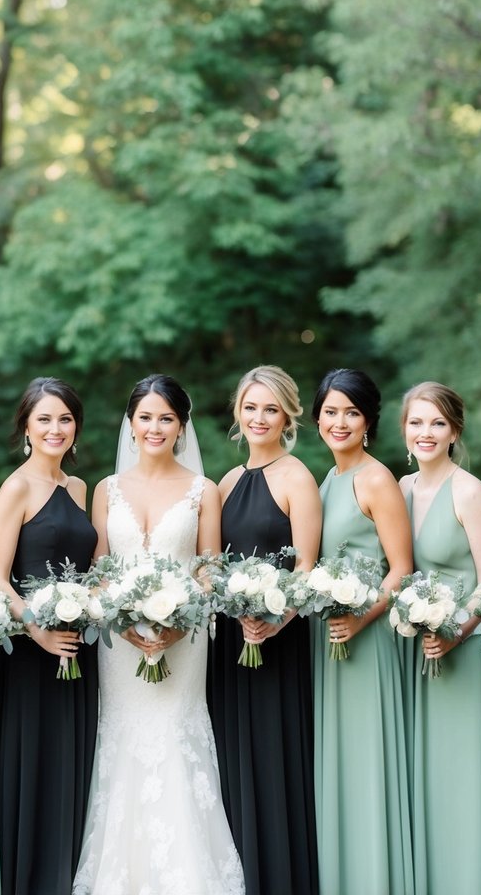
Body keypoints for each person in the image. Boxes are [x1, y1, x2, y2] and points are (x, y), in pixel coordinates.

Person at [73, 373, 244, 895]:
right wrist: (122, 624)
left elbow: (209, 570)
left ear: (181, 426)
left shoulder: (203, 490)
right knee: (121, 739)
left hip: (185, 638)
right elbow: (98, 570)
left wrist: (179, 622)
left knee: (176, 737)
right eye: (144, 417)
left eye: (165, 418)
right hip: (118, 645)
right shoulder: (105, 489)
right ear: (129, 424)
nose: (154, 427)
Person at [208, 365, 321, 895]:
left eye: (271, 409)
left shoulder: (297, 476)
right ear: (238, 412)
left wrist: (276, 621)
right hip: (233, 640)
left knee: (276, 762)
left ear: (288, 416)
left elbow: (306, 567)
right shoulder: (227, 482)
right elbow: (212, 564)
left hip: (280, 637)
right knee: (234, 760)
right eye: (251, 407)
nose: (259, 418)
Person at [0, 377, 98, 895]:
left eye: (65, 419)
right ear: (27, 427)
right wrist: (38, 633)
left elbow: (93, 570)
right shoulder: (15, 487)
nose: (56, 429)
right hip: (34, 654)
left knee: (72, 768)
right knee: (35, 768)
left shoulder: (78, 489)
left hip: (79, 650)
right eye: (45, 419)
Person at [310, 368, 413, 895]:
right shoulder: (326, 479)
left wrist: (360, 617)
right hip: (327, 644)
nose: (340, 421)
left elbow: (401, 569)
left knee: (366, 764)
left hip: (366, 642)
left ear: (369, 421)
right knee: (339, 769)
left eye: (351, 412)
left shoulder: (376, 479)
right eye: (331, 411)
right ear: (317, 418)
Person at [399, 382, 481, 895]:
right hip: (411, 658)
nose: (426, 432)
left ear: (455, 431)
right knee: (421, 783)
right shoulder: (398, 488)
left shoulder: (469, 490)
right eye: (417, 422)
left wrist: (455, 630)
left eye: (437, 423)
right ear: (404, 429)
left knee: (460, 781)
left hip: (461, 655)